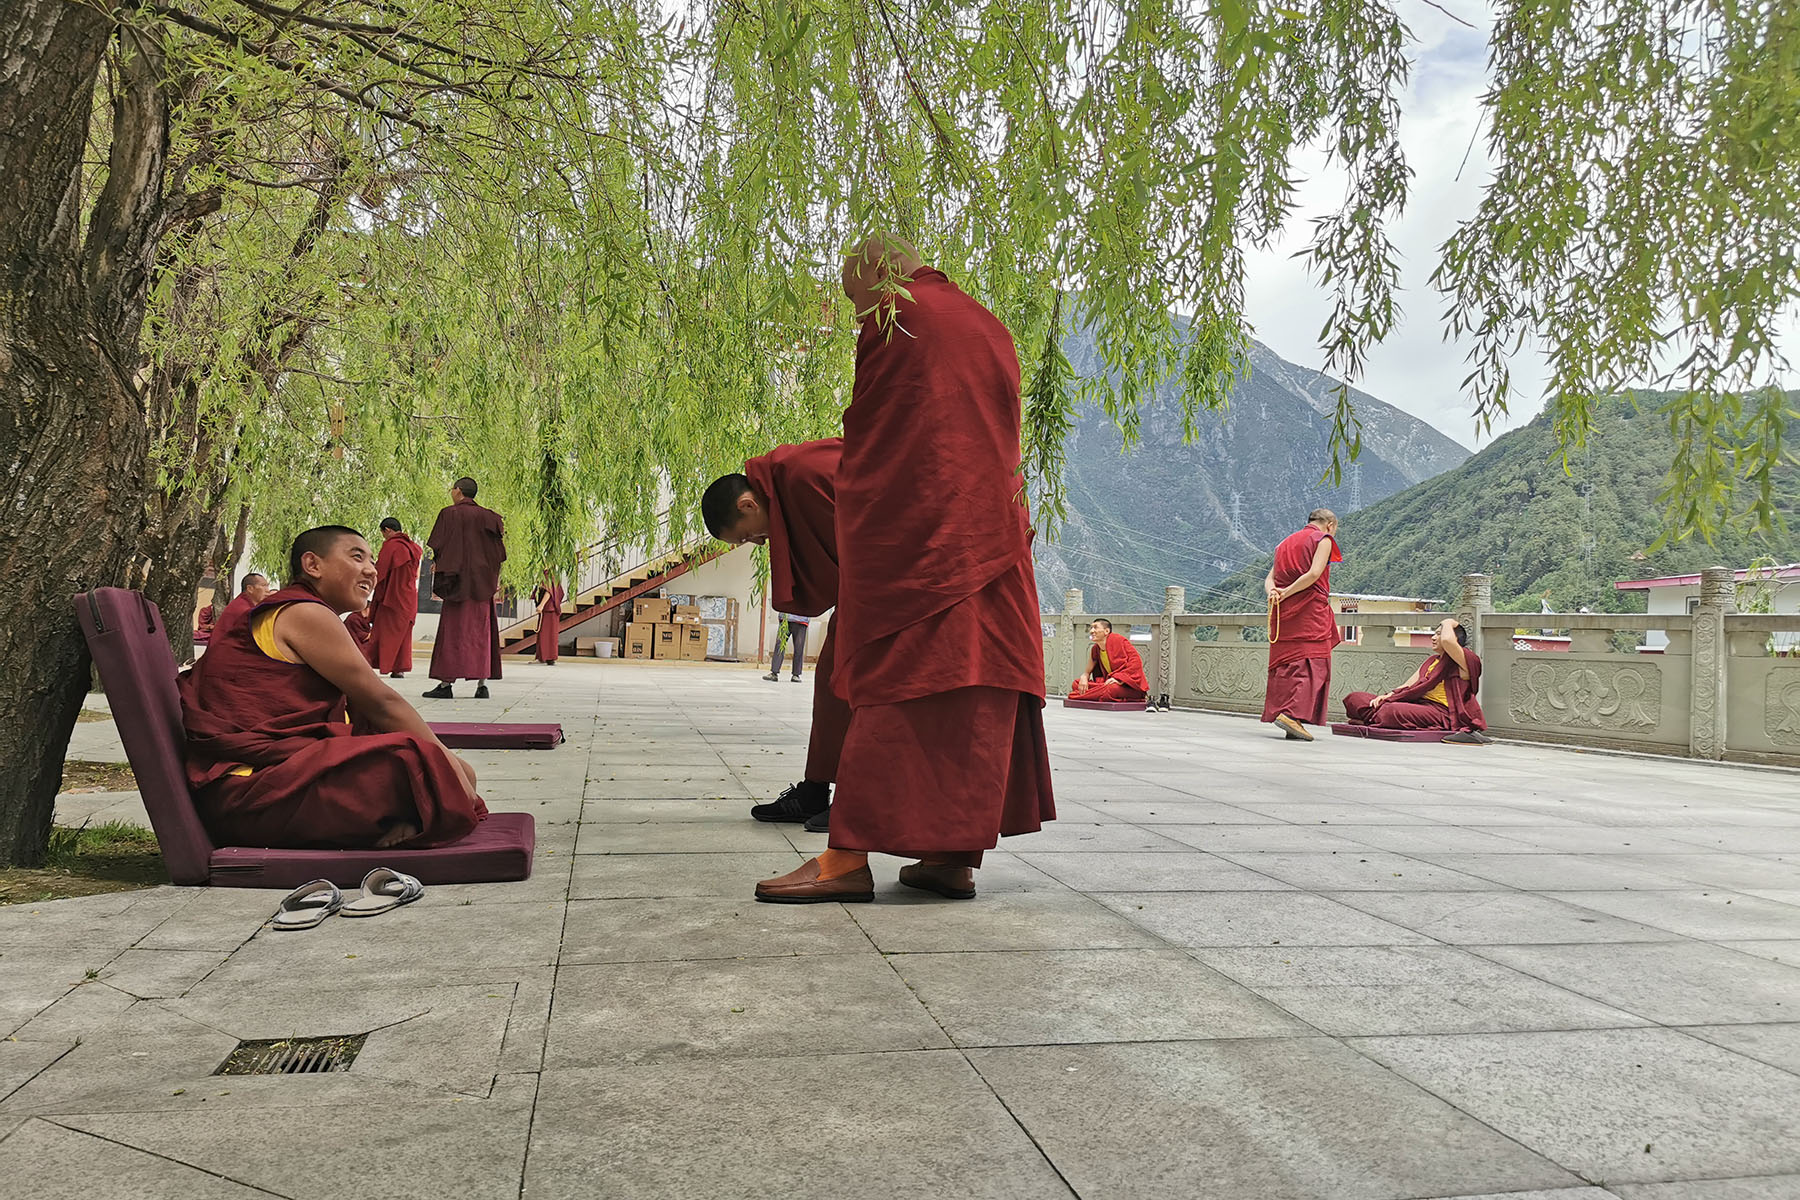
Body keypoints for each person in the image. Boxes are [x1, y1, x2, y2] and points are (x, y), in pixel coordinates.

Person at [754, 234, 1055, 904]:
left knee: (897, 679)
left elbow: (878, 441)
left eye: (853, 298)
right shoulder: (987, 323)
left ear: (874, 275)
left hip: (926, 541)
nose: (858, 314)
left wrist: (865, 531)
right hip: (993, 533)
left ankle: (845, 858)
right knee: (974, 687)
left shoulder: (899, 315)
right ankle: (951, 856)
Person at [179, 526, 486, 850]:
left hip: (262, 786)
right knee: (411, 764)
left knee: (419, 765)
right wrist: (450, 765)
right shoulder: (303, 612)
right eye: (357, 557)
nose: (371, 569)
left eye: (371, 559)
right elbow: (382, 703)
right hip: (251, 793)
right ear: (313, 565)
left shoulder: (301, 611)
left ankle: (398, 817)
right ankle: (400, 815)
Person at [702, 439, 849, 833]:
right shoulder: (786, 485)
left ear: (747, 505)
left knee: (855, 678)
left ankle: (857, 798)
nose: (757, 542)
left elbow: (862, 536)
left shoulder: (802, 475)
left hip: (897, 576)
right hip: (865, 588)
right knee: (833, 678)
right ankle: (815, 790)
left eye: (747, 536)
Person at [1262, 509, 1343, 742]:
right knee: (1313, 663)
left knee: (1288, 664)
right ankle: (1291, 715)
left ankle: (1290, 718)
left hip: (1284, 612)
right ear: (1329, 524)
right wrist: (1287, 592)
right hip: (1309, 609)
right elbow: (1315, 573)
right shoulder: (1323, 539)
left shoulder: (1284, 543)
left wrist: (1275, 593)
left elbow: (1270, 579)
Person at [422, 476, 506, 700]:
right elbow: (499, 553)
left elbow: (440, 545)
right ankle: (482, 685)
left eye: (452, 488)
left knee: (454, 632)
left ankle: (446, 684)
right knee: (481, 632)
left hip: (458, 583)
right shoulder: (489, 517)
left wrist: (440, 565)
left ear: (458, 491)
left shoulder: (449, 514)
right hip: (481, 584)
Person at [1344, 617, 1488, 737]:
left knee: (1391, 710)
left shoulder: (1467, 661)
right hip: (1418, 705)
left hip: (1441, 712)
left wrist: (1449, 621)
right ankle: (1377, 718)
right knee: (1355, 698)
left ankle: (1375, 717)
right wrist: (1387, 696)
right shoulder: (1432, 661)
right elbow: (1407, 686)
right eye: (1434, 633)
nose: (1433, 637)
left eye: (1438, 634)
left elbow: (1448, 641)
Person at [369, 516, 422, 679]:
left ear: (388, 530)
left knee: (387, 632)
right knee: (404, 633)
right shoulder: (413, 547)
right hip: (409, 596)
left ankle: (386, 665)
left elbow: (381, 572)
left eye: (383, 534)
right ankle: (399, 668)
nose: (384, 537)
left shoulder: (391, 546)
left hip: (392, 597)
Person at [1068, 618, 1148, 702]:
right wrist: (1084, 676)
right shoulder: (1096, 648)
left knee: (1110, 689)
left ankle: (1079, 695)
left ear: (1106, 631)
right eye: (1091, 628)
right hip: (1108, 683)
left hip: (1128, 686)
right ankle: (1091, 695)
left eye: (1095, 627)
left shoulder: (1118, 640)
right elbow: (1087, 672)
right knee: (1076, 684)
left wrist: (1119, 679)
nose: (1091, 631)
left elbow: (1136, 662)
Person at [214, 573, 271, 641]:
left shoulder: (246, 604)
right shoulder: (243, 609)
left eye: (267, 586)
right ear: (250, 589)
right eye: (263, 586)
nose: (268, 590)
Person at [764, 612, 810, 682]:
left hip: (801, 620)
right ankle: (774, 672)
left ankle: (796, 674)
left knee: (799, 648)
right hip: (785, 619)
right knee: (779, 646)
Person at [533, 569, 565, 665]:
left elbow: (549, 591)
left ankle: (549, 657)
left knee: (547, 633)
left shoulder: (549, 574)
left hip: (549, 608)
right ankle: (543, 657)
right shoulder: (548, 574)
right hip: (548, 609)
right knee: (545, 633)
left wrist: (541, 605)